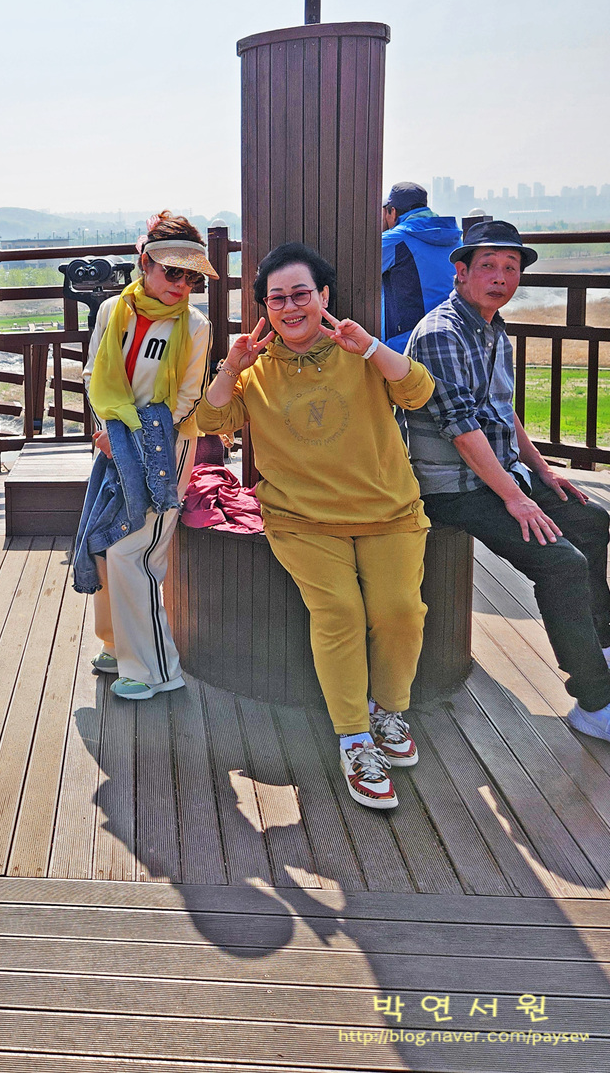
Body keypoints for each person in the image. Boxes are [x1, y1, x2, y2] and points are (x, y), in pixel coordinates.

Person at [198, 243, 436, 810]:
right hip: (301, 519)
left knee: (400, 612)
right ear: (264, 308)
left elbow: (418, 391)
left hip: (388, 513)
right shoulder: (256, 370)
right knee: (339, 612)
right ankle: (354, 739)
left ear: (323, 296)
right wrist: (231, 366)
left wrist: (372, 347)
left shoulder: (358, 348)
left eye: (301, 294)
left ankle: (388, 712)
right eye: (276, 299)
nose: (290, 307)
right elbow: (210, 419)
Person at [404, 218, 610, 747]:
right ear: (460, 271)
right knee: (560, 562)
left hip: (498, 476)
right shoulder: (442, 333)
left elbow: (502, 410)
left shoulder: (492, 327)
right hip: (453, 487)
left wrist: (542, 472)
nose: (501, 277)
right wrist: (517, 498)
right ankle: (594, 703)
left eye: (510, 267)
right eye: (488, 266)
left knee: (589, 519)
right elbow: (462, 431)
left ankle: (601, 641)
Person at [74, 212, 213, 701]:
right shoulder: (113, 311)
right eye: (172, 271)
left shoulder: (195, 326)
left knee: (134, 551)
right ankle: (117, 646)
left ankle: (155, 668)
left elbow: (187, 399)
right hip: (113, 444)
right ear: (145, 263)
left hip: (162, 452)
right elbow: (94, 374)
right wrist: (108, 430)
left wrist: (128, 438)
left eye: (191, 277)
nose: (181, 285)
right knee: (106, 540)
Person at [381, 182, 461, 352]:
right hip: (451, 334)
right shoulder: (455, 238)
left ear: (392, 211)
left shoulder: (395, 239)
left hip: (406, 345)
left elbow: (358, 267)